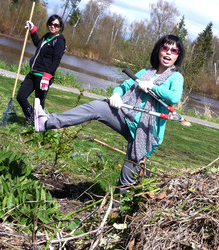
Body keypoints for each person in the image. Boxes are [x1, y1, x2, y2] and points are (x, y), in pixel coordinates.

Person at [33, 34, 185, 193]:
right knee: (97, 107)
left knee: (126, 180)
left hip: (145, 132)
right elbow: (124, 86)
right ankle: (46, 122)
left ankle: (118, 211)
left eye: (174, 50)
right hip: (126, 117)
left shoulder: (175, 77)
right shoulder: (145, 72)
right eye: (165, 48)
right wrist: (117, 95)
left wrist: (152, 87)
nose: (168, 53)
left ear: (178, 56)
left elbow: (174, 97)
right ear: (159, 50)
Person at [17, 15, 66, 123]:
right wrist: (32, 30)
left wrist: (47, 76)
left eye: (56, 25)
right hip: (33, 73)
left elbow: (56, 60)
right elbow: (38, 44)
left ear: (60, 27)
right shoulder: (46, 36)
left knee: (38, 105)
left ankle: (39, 125)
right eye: (51, 24)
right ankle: (31, 117)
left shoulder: (59, 41)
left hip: (43, 77)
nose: (53, 26)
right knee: (21, 97)